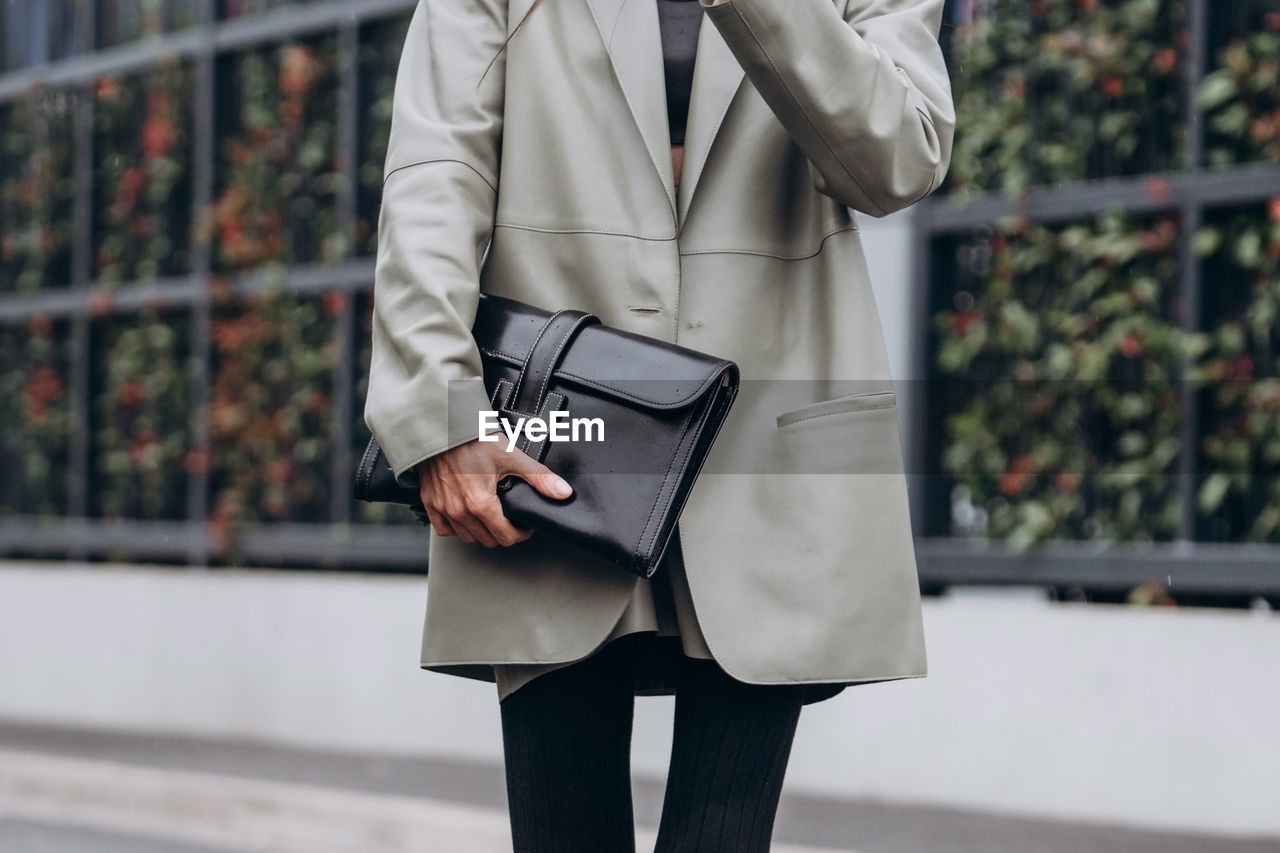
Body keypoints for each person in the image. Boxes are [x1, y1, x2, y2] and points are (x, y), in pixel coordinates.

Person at [364, 0, 954, 847]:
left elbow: (897, 161)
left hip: (771, 449)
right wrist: (446, 416)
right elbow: (434, 179)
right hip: (554, 442)